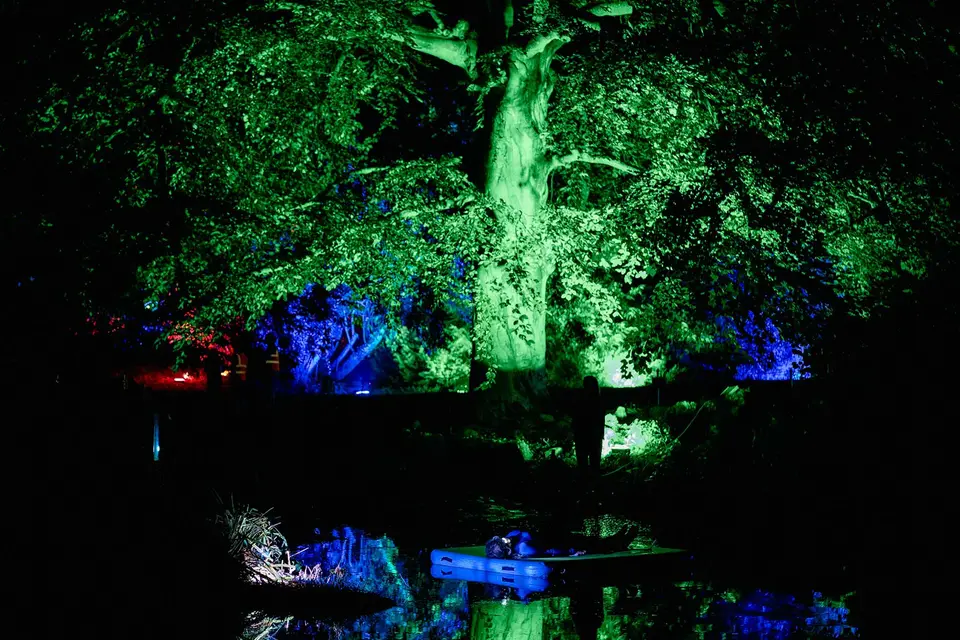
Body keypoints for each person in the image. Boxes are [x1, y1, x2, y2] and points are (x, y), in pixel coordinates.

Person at [485, 524, 639, 560]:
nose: (503, 537)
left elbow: (516, 533)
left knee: (590, 540)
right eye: (502, 540)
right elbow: (548, 553)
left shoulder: (512, 536)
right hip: (562, 545)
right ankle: (620, 542)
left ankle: (615, 539)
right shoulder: (524, 548)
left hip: (557, 536)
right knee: (592, 545)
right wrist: (571, 553)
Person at [573, 376, 604, 481]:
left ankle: (587, 483)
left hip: (586, 435)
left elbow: (576, 418)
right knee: (592, 464)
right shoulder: (596, 400)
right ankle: (590, 483)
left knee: (586, 464)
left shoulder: (581, 399)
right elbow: (600, 419)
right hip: (590, 435)